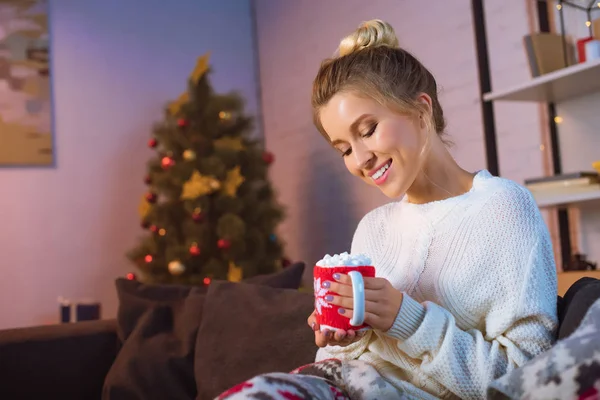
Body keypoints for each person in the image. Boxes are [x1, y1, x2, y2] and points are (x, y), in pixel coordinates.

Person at [216, 19, 558, 400]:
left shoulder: (503, 208)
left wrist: (407, 322)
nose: (360, 158)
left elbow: (527, 380)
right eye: (344, 149)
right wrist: (342, 337)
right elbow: (335, 362)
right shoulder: (373, 228)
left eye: (368, 129)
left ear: (421, 109)